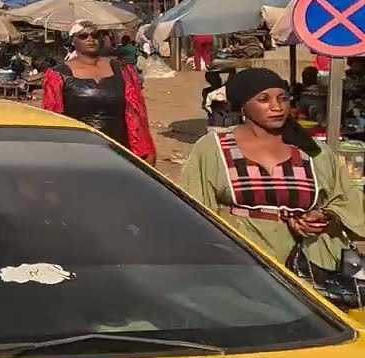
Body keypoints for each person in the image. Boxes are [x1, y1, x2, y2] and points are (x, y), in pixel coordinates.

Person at [181, 67, 365, 273]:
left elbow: (348, 202)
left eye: (283, 98)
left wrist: (322, 216)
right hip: (240, 264)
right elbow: (193, 210)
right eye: (264, 99)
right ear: (242, 106)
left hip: (309, 267)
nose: (277, 107)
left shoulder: (313, 151)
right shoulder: (212, 149)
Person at [41, 20, 156, 164]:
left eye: (95, 35)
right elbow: (52, 118)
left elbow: (136, 113)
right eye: (83, 36)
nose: (90, 39)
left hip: (119, 149)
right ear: (73, 41)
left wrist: (146, 152)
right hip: (78, 152)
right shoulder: (57, 75)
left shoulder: (121, 70)